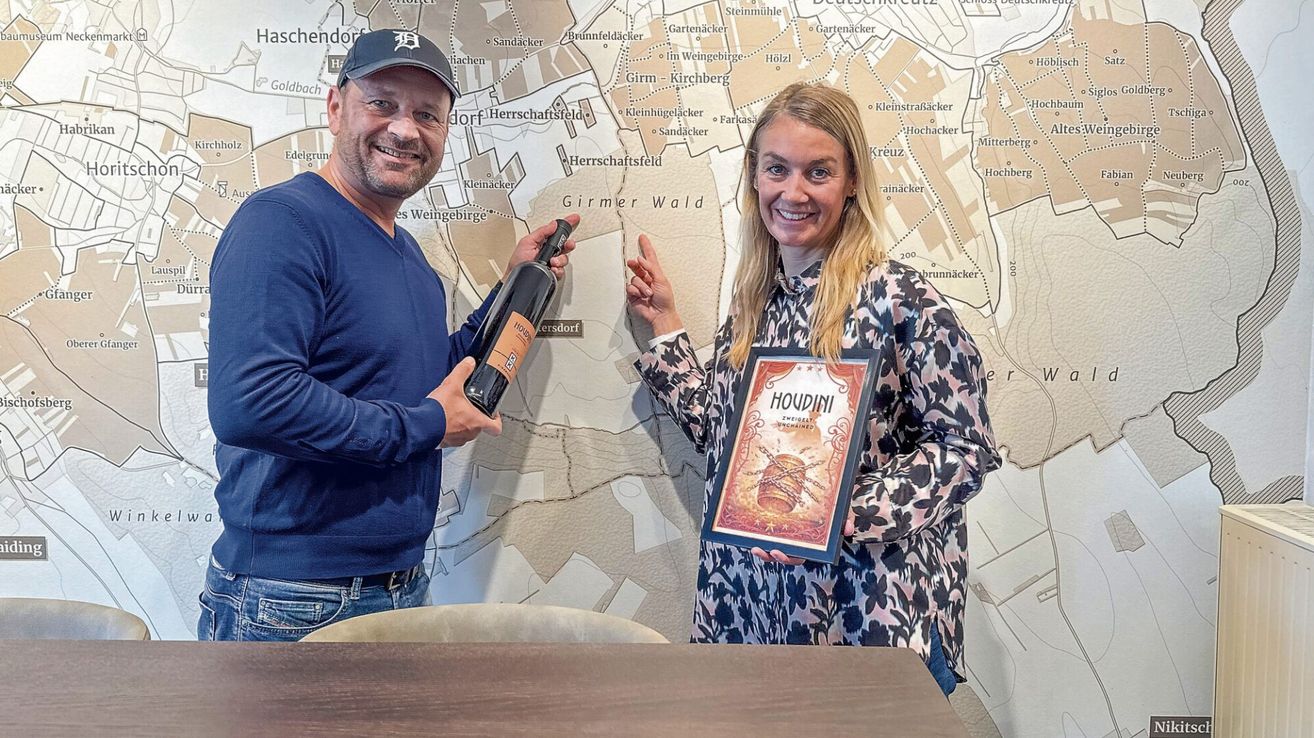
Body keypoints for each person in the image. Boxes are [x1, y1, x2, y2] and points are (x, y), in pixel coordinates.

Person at [199, 29, 579, 641]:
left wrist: (513, 289)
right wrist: (427, 426)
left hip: (401, 584)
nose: (405, 129)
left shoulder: (411, 259)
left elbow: (438, 379)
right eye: (383, 103)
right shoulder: (283, 222)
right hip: (289, 600)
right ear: (335, 107)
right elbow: (253, 403)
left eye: (427, 114)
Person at [626, 82, 999, 695]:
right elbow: (726, 442)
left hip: (864, 624)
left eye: (817, 172)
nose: (792, 192)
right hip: (749, 613)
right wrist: (666, 326)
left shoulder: (897, 298)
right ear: (754, 175)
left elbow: (966, 449)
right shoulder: (754, 303)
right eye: (776, 169)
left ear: (851, 180)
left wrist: (839, 515)